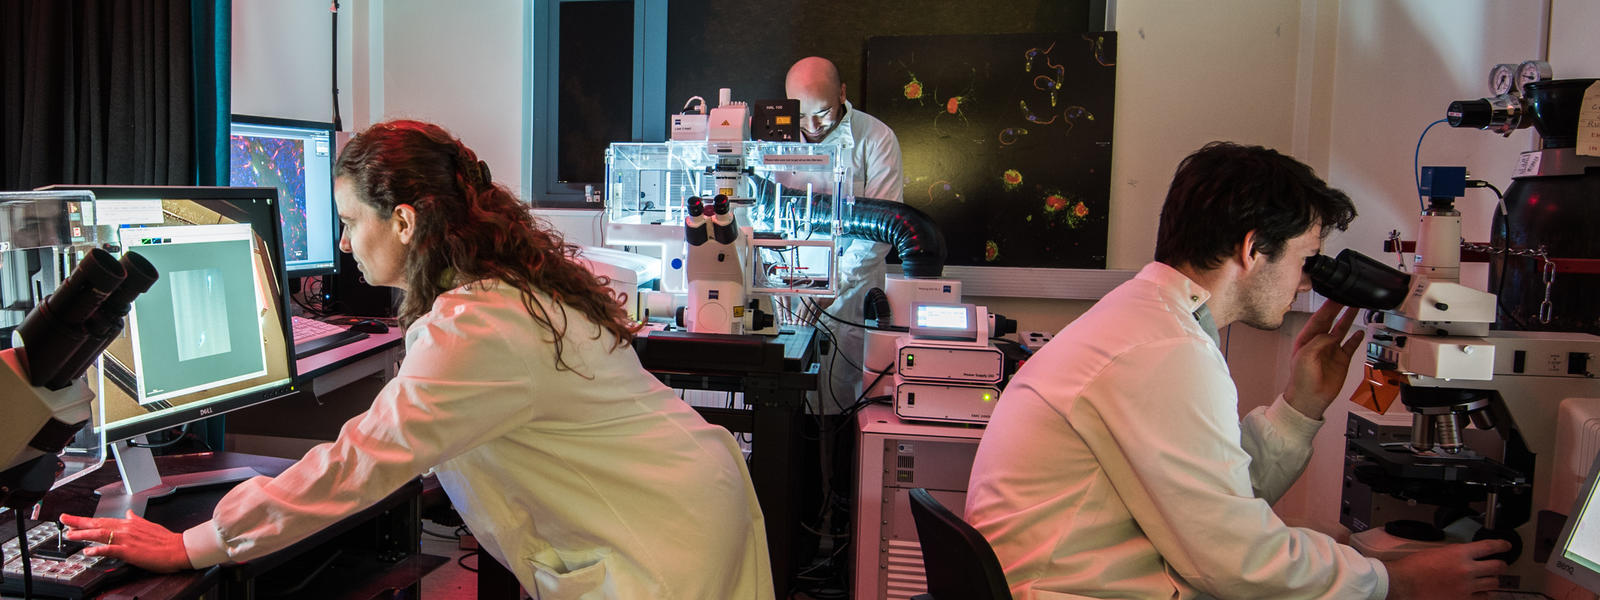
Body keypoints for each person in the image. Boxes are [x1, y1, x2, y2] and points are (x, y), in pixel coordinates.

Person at [63, 120, 775, 599]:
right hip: (683, 500)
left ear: (403, 221)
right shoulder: (509, 289)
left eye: (350, 221)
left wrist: (196, 544)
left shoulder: (479, 324)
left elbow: (360, 462)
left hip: (656, 545)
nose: (343, 244)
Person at [963, 142, 1509, 599]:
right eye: (1306, 259)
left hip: (1070, 581)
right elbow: (1235, 561)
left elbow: (1218, 501)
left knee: (1328, 542)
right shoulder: (1162, 350)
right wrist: (1395, 582)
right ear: (1253, 249)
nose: (1306, 281)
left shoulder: (1148, 323)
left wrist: (1301, 405)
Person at [785, 56, 905, 410]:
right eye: (800, 114)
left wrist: (832, 284)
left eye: (822, 112)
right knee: (785, 407)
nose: (811, 126)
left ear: (842, 93)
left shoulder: (876, 138)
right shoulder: (769, 137)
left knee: (842, 408)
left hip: (849, 299)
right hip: (786, 293)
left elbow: (880, 230)